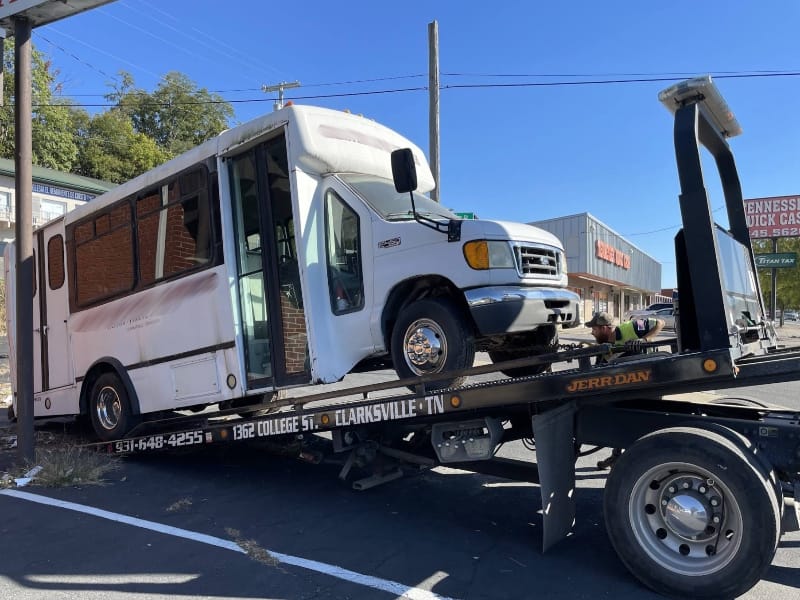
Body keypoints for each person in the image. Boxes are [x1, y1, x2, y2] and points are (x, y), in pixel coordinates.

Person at [585, 311, 665, 364]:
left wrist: (644, 339)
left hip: (651, 362)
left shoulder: (633, 326)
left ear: (604, 329)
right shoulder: (605, 346)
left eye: (594, 329)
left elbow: (660, 323)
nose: (592, 332)